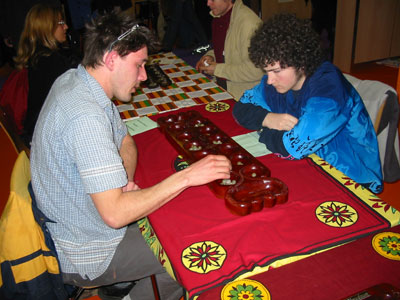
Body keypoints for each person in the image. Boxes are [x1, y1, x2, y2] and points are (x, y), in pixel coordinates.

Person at [30, 9, 231, 300]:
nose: (144, 76)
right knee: (194, 248)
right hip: (88, 251)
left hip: (84, 222)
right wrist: (187, 176)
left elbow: (125, 139)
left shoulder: (79, 82)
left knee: (175, 213)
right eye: (138, 65)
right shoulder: (84, 116)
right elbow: (114, 214)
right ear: (112, 58)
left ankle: (121, 288)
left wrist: (122, 181)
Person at [233, 14, 383, 194]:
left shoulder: (328, 91)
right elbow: (241, 108)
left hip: (352, 177)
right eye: (267, 71)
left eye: (276, 71)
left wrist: (264, 130)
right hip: (311, 162)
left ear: (301, 62)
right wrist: (267, 118)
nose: (269, 80)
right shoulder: (276, 83)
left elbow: (293, 147)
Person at [13, 2, 80, 147]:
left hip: (36, 127)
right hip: (45, 136)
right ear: (46, 27)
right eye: (61, 23)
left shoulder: (39, 55)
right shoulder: (50, 61)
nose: (66, 27)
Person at [195, 0, 264, 100]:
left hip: (246, 98)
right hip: (225, 88)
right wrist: (211, 56)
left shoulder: (249, 24)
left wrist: (217, 69)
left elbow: (257, 70)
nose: (208, 3)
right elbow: (227, 49)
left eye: (213, 0)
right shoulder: (219, 18)